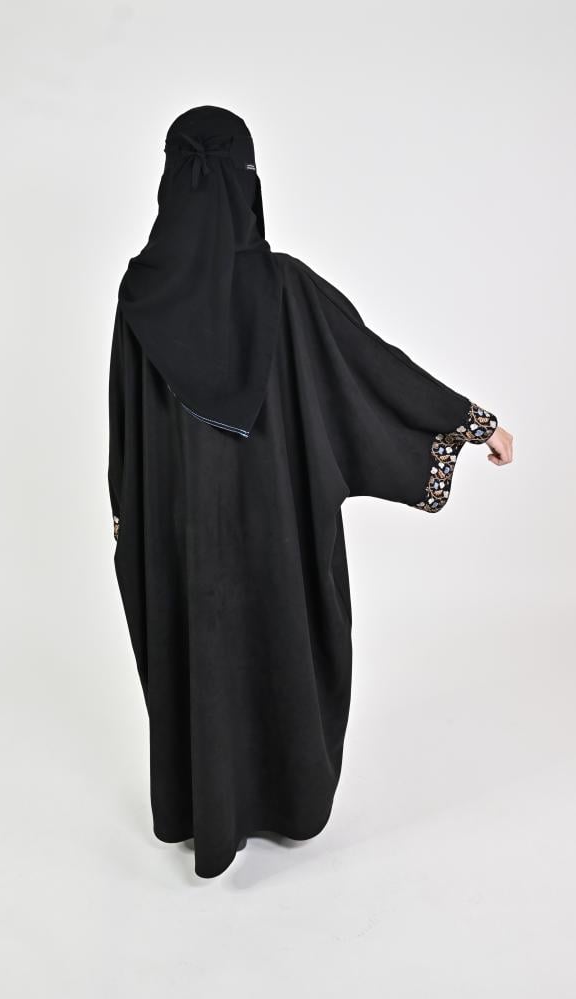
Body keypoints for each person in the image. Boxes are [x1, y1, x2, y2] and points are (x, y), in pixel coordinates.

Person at [107, 104, 513, 879]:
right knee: (280, 633)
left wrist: (131, 518)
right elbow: (372, 370)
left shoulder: (140, 295)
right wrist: (468, 421)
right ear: (247, 182)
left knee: (197, 642)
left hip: (180, 534)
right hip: (276, 527)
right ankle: (285, 799)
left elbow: (124, 425)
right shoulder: (284, 288)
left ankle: (207, 809)